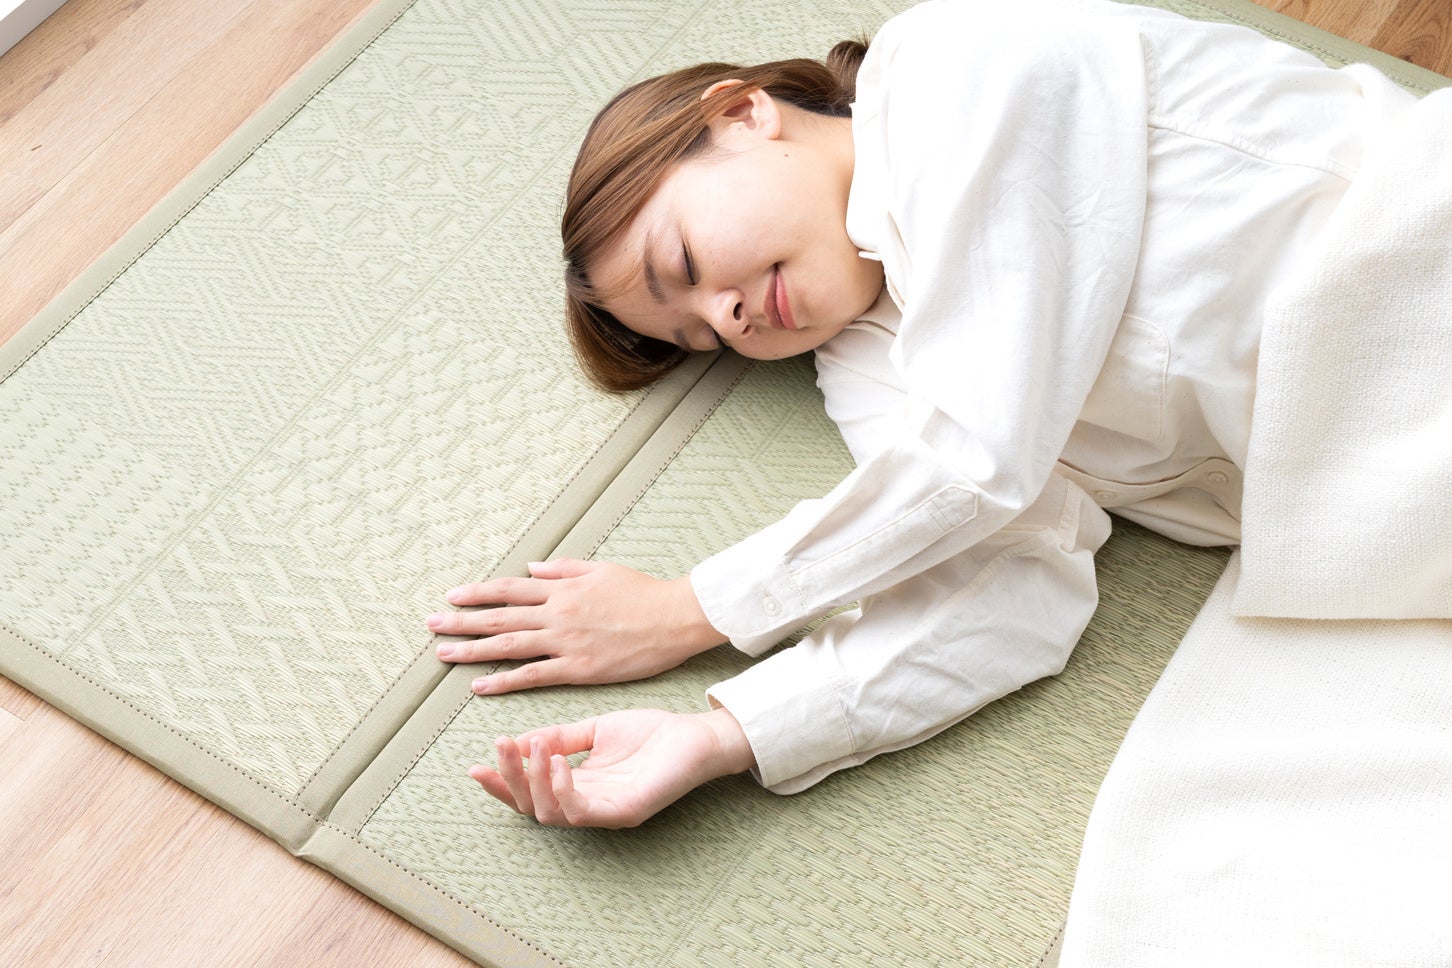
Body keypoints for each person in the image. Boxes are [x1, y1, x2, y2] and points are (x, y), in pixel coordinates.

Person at [425, 0, 1422, 828]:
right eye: (702, 337)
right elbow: (1013, 586)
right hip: (1401, 518)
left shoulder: (960, 63)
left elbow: (983, 455)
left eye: (682, 264)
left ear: (741, 113)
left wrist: (691, 611)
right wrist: (728, 732)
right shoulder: (867, 368)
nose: (724, 317)